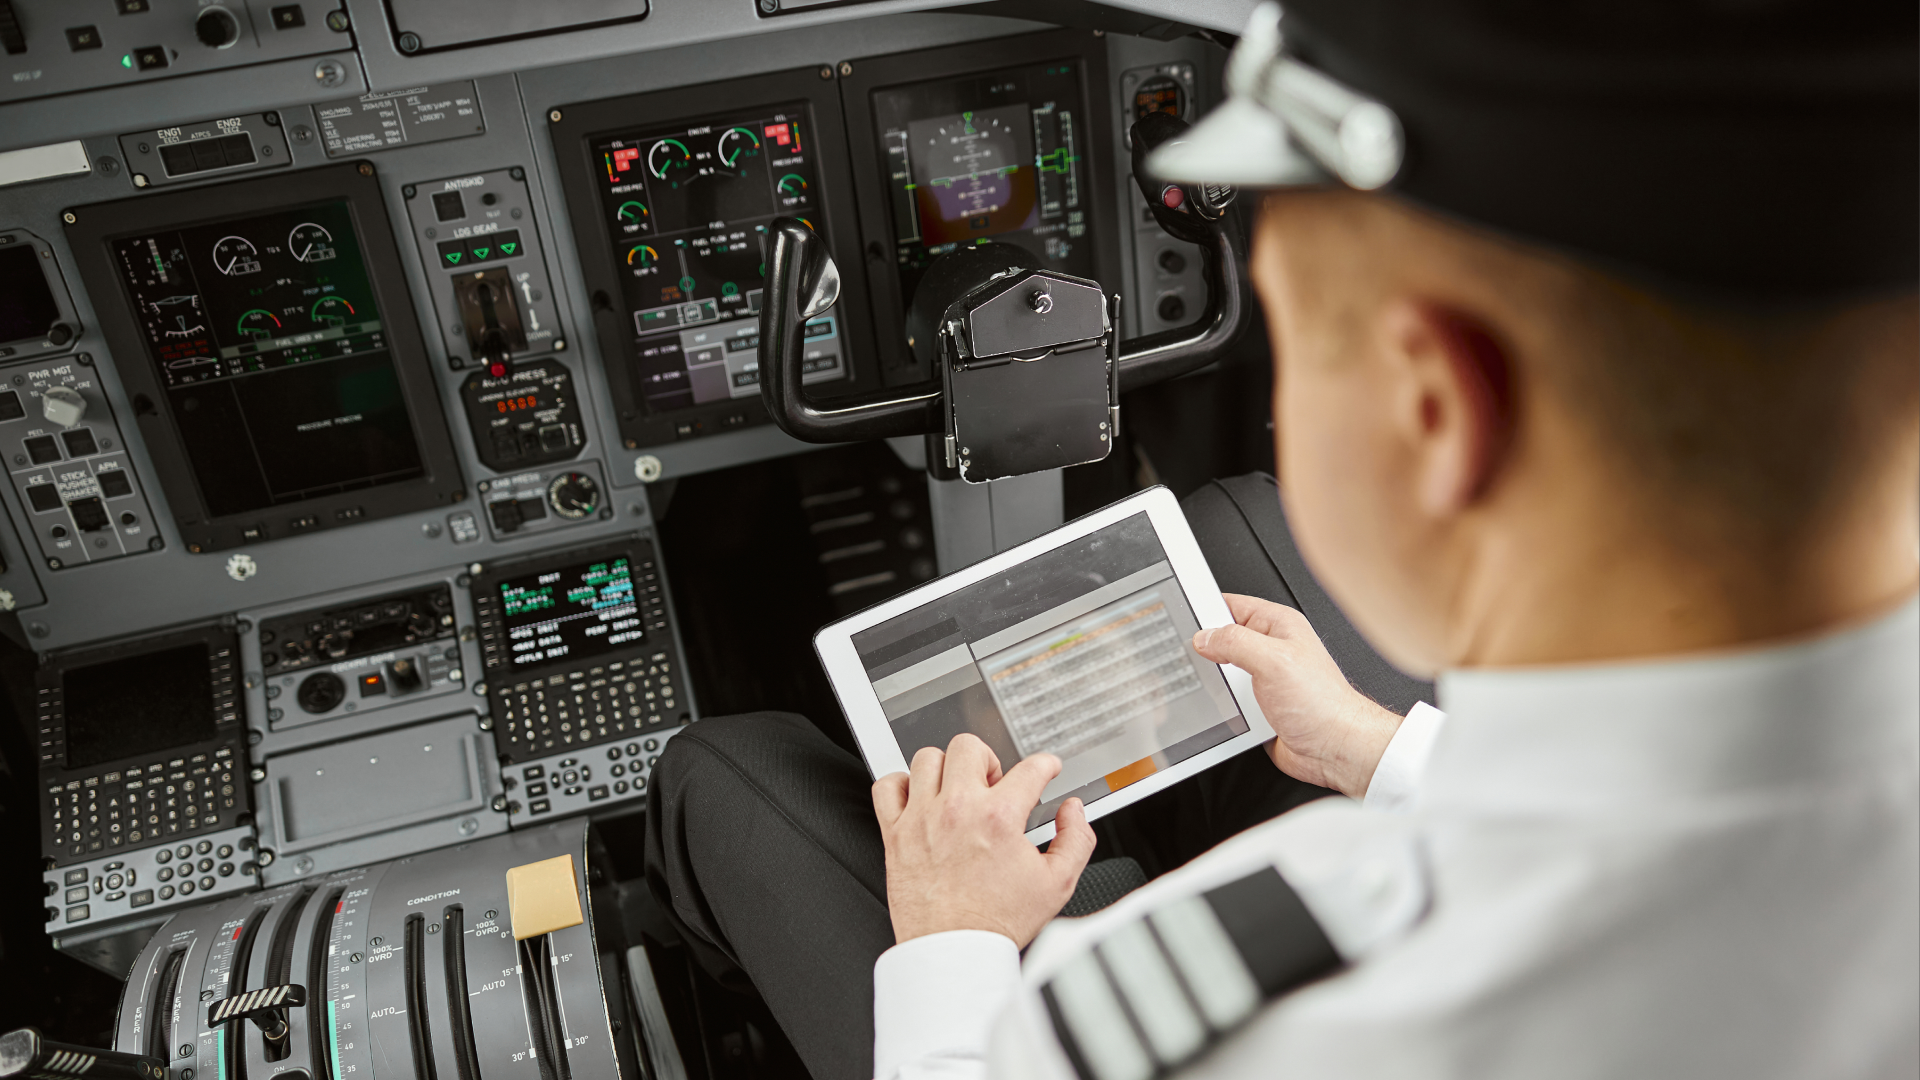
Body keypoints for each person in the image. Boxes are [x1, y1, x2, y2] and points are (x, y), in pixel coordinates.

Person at [646, 1, 1919, 1077]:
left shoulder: (1207, 1021)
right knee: (1228, 543)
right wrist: (1386, 751)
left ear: (1436, 414)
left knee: (730, 768)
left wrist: (954, 941)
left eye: (1300, 343)